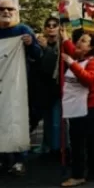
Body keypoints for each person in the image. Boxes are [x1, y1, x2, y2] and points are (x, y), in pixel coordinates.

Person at [0, 0, 42, 176]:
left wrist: (30, 44)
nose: (6, 11)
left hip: (18, 83)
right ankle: (2, 159)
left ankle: (20, 160)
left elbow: (38, 55)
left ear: (16, 11)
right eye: (2, 8)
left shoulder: (23, 30)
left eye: (10, 8)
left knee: (17, 119)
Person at [60, 29, 94, 187]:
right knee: (88, 142)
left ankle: (78, 175)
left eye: (83, 41)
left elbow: (90, 80)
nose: (78, 43)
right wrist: (65, 39)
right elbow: (72, 52)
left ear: (91, 48)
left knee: (82, 142)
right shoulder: (81, 58)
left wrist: (71, 63)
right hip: (82, 107)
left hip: (92, 108)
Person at [35, 17, 62, 157]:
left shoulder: (62, 44)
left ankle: (58, 148)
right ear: (44, 28)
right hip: (43, 88)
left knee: (57, 120)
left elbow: (53, 65)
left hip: (58, 88)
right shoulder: (38, 44)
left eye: (54, 25)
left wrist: (46, 48)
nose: (51, 28)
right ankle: (47, 145)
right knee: (47, 120)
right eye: (48, 25)